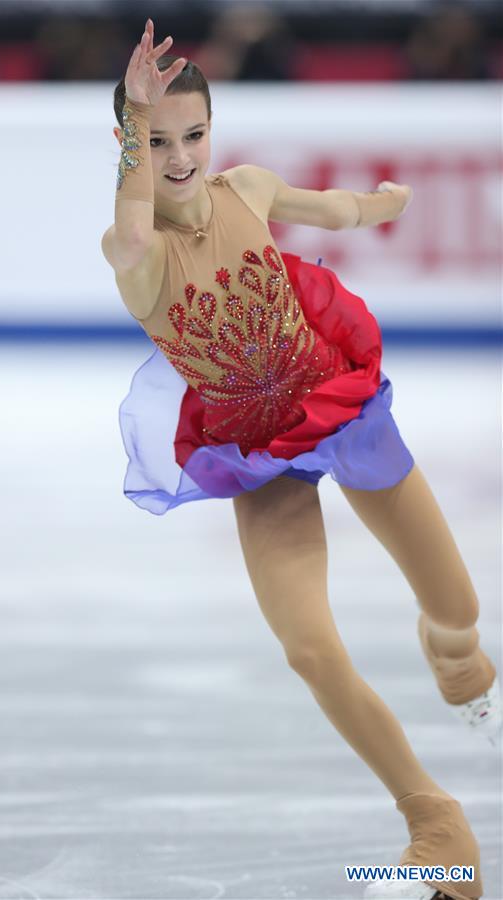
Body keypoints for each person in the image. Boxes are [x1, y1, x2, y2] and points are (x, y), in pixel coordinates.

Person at [101, 18, 500, 900]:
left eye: (192, 134)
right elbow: (133, 229)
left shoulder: (245, 185)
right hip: (256, 452)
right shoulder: (138, 255)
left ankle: (458, 661)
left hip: (339, 405)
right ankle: (434, 824)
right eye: (156, 140)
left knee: (457, 615)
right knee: (309, 648)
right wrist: (135, 124)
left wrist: (379, 206)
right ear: (129, 144)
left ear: (214, 132)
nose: (179, 156)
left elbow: (329, 209)